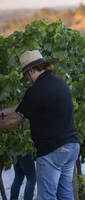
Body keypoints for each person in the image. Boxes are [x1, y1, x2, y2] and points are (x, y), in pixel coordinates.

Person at [0, 50, 80, 200]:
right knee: (65, 193)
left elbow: (15, 118)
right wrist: (2, 113)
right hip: (71, 147)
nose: (28, 80)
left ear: (30, 71)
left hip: (52, 150)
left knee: (47, 196)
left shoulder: (36, 90)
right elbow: (23, 106)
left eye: (26, 75)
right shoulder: (59, 82)